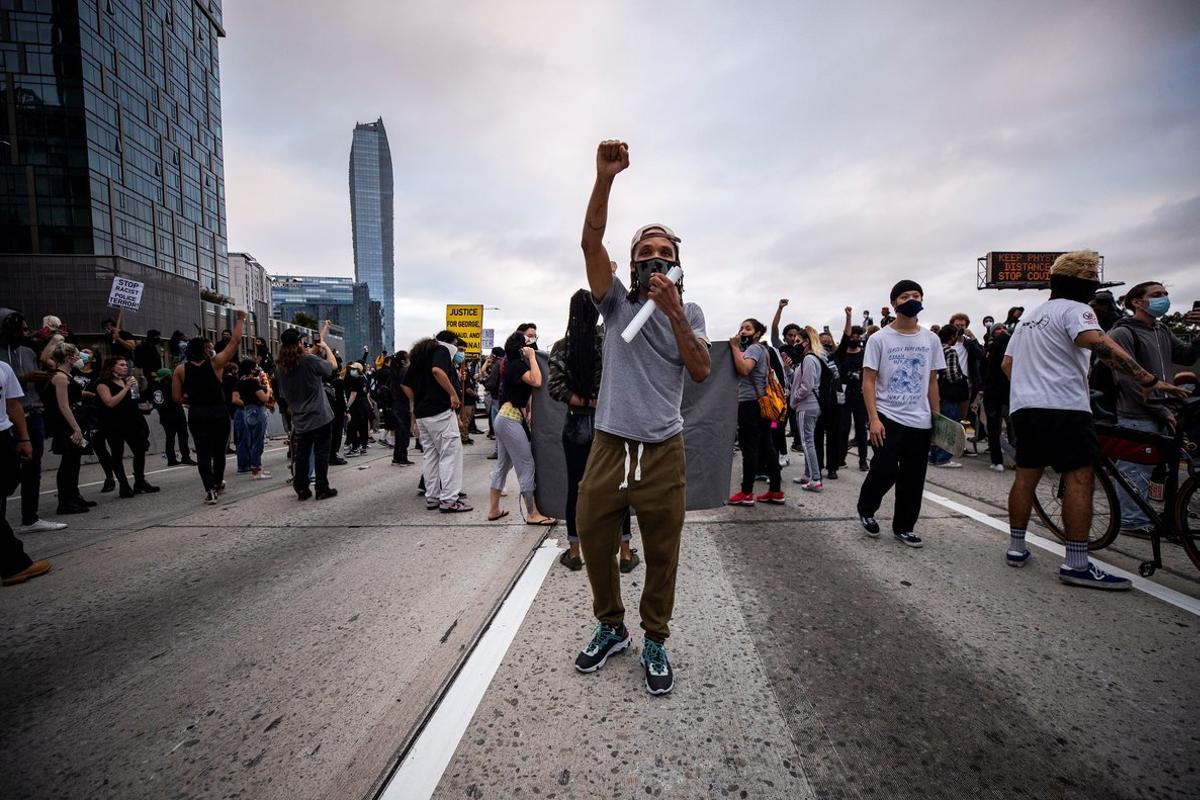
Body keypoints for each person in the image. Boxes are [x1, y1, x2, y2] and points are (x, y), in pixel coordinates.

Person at [573, 140, 710, 696]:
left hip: (661, 449)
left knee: (661, 550)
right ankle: (612, 627)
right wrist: (604, 178)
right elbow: (589, 242)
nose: (654, 256)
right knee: (593, 534)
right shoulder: (616, 304)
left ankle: (654, 637)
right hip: (610, 444)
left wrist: (675, 310)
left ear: (677, 264)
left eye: (664, 251)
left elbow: (700, 369)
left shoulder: (692, 311)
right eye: (645, 250)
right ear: (631, 264)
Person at [1002, 252, 1184, 587]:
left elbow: (1007, 365)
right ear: (1075, 280)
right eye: (1089, 274)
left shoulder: (1030, 317)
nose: (1095, 279)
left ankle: (1016, 547)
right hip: (1065, 408)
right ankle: (1076, 563)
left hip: (1025, 408)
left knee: (1026, 478)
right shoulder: (1078, 310)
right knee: (1079, 479)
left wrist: (1033, 386)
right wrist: (1147, 380)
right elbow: (1099, 344)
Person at [548, 290, 638, 572]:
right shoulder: (609, 341)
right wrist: (600, 402)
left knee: (577, 489)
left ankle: (574, 553)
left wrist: (585, 401)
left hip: (575, 425)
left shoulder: (562, 346)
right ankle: (624, 553)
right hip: (609, 425)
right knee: (617, 489)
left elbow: (555, 388)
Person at [1106, 281, 1200, 535]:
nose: (1164, 299)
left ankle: (1160, 515)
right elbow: (1127, 380)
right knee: (1135, 470)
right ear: (1137, 302)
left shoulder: (1161, 330)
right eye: (1157, 295)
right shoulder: (1123, 334)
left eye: (1166, 294)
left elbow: (1187, 356)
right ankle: (1131, 521)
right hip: (1136, 413)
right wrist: (1161, 410)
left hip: (1165, 411)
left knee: (1160, 470)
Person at [856, 279, 944, 549]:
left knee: (913, 477)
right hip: (888, 416)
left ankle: (904, 526)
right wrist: (873, 419)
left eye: (916, 295)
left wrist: (938, 420)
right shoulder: (879, 339)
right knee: (884, 471)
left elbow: (931, 382)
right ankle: (867, 508)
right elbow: (868, 381)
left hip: (920, 421)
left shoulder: (931, 339)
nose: (911, 300)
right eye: (905, 296)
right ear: (894, 303)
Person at [0, 309, 66, 533]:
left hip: (33, 412)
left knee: (33, 469)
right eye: (22, 329)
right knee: (9, 474)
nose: (25, 333)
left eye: (27, 329)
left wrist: (42, 379)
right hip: (6, 420)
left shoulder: (28, 352)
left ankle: (30, 517)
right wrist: (25, 378)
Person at [173, 312, 244, 504]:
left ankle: (209, 489)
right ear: (205, 350)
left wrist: (190, 399)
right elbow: (235, 341)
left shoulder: (180, 370)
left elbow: (176, 397)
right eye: (209, 347)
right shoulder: (216, 364)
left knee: (203, 453)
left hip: (197, 414)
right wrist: (240, 319)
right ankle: (218, 481)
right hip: (219, 413)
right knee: (219, 452)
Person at [486, 332, 556, 524]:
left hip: (505, 418)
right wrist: (532, 357)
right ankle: (533, 513)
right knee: (526, 465)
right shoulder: (516, 365)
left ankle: (493, 509)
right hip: (510, 420)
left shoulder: (513, 365)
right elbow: (537, 381)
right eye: (527, 343)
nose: (531, 345)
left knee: (502, 466)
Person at [402, 331, 472, 513]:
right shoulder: (440, 350)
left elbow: (405, 384)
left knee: (431, 456)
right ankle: (449, 499)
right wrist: (452, 393)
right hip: (440, 411)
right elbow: (437, 371)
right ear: (450, 343)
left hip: (423, 414)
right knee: (450, 454)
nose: (458, 351)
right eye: (457, 346)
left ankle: (432, 497)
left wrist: (417, 404)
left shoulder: (419, 356)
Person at [1, 359, 53, 587]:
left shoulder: (3, 367)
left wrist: (24, 438)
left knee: (7, 484)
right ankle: (15, 563)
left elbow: (13, 404)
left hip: (3, 435)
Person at [275, 324, 338, 501]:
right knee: (321, 453)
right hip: (319, 415)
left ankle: (301, 487)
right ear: (299, 343)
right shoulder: (309, 360)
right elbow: (332, 366)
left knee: (301, 454)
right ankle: (321, 487)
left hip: (300, 417)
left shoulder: (281, 368)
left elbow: (283, 395)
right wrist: (325, 347)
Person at [728, 318, 784, 506]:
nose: (743, 331)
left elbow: (744, 369)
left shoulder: (753, 349)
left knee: (749, 448)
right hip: (761, 405)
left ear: (758, 333)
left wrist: (734, 348)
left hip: (750, 405)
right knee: (767, 446)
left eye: (748, 328)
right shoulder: (762, 350)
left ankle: (746, 492)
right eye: (741, 327)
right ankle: (775, 490)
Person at [96, 355, 159, 498]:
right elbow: (110, 402)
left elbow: (135, 399)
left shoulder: (128, 380)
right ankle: (124, 485)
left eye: (125, 364)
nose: (125, 367)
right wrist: (125, 388)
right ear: (112, 367)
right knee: (117, 454)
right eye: (121, 365)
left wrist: (138, 389)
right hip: (114, 423)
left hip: (133, 421)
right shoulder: (102, 383)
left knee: (140, 450)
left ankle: (140, 481)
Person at [44, 342, 93, 514]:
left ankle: (73, 497)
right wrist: (76, 428)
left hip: (75, 421)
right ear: (68, 357)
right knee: (68, 463)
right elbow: (63, 406)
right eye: (77, 354)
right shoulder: (60, 377)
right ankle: (65, 502)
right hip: (66, 425)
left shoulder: (68, 375)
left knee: (74, 462)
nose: (80, 358)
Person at [789, 328, 824, 491]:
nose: (796, 344)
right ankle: (808, 474)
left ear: (806, 341)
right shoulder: (810, 358)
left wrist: (795, 398)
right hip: (808, 405)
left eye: (798, 341)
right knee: (808, 440)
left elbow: (807, 385)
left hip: (806, 405)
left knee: (806, 442)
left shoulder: (809, 359)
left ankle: (815, 479)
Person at [834, 307, 869, 472]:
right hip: (844, 395)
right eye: (852, 336)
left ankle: (863, 460)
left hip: (861, 396)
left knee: (861, 429)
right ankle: (840, 458)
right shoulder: (841, 355)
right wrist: (848, 317)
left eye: (858, 336)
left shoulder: (865, 354)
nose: (854, 338)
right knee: (843, 428)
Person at [928, 326, 968, 469]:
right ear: (952, 336)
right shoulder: (950, 351)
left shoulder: (935, 349)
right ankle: (943, 458)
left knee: (937, 424)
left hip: (935, 391)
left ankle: (933, 455)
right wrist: (963, 380)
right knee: (949, 424)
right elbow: (952, 375)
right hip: (949, 393)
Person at [232, 359, 272, 479]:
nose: (257, 369)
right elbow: (264, 398)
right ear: (251, 369)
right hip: (257, 410)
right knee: (258, 441)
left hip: (247, 411)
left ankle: (256, 467)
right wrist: (269, 391)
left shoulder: (240, 382)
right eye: (255, 367)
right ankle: (256, 469)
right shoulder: (253, 382)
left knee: (251, 440)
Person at [982, 322, 1012, 473]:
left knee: (1012, 425)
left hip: (1008, 391)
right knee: (994, 426)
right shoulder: (988, 349)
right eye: (998, 329)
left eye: (1003, 328)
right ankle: (997, 460)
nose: (1002, 331)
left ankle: (1015, 457)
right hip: (993, 391)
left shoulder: (1011, 343)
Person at [150, 367, 193, 466]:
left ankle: (171, 459)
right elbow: (180, 398)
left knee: (170, 438)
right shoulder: (172, 386)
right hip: (176, 413)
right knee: (183, 436)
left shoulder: (155, 387)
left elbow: (158, 403)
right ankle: (185, 457)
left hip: (165, 416)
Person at [389, 350, 414, 466]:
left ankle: (397, 457)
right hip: (402, 404)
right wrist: (412, 399)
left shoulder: (395, 371)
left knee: (399, 432)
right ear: (403, 361)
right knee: (403, 432)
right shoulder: (404, 371)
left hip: (396, 404)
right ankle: (402, 458)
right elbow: (405, 387)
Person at [343, 361, 371, 456]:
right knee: (363, 426)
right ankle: (363, 447)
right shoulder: (364, 379)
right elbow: (367, 393)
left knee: (353, 426)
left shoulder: (355, 379)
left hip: (357, 405)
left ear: (358, 369)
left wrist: (347, 406)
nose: (352, 370)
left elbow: (353, 395)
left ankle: (355, 448)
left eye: (354, 369)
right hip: (364, 405)